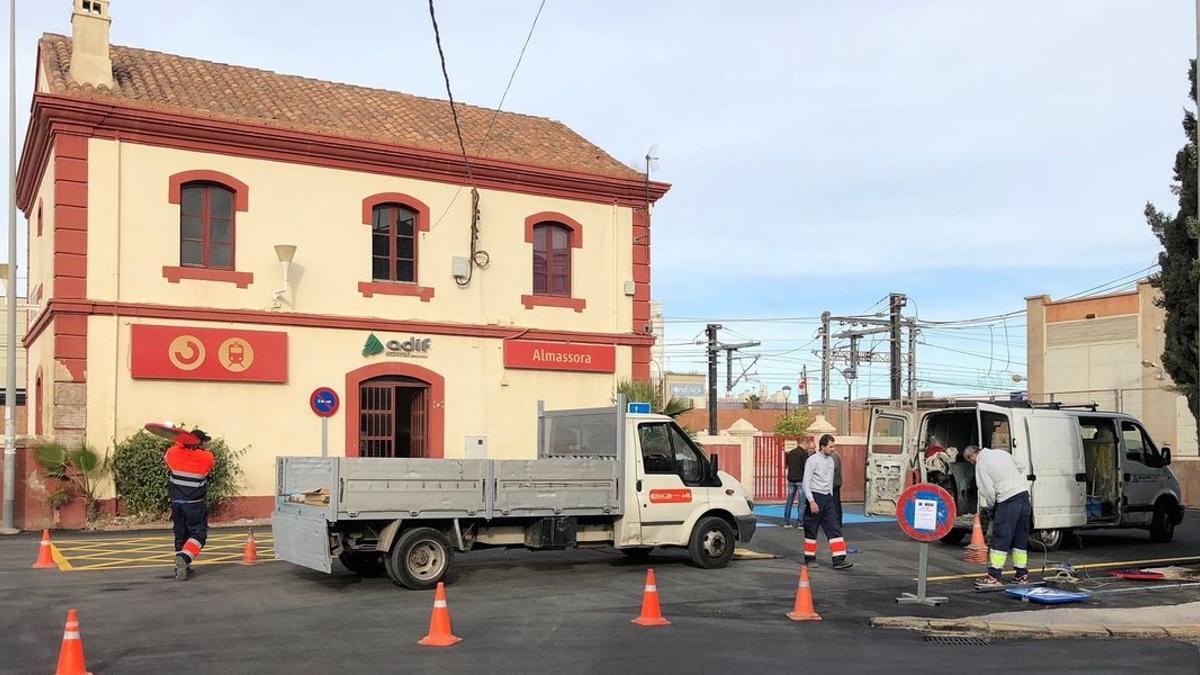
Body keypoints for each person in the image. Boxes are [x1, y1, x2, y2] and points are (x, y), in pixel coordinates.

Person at [963, 445, 1031, 588]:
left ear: (971, 457)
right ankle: (1021, 575)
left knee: (1001, 538)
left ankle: (993, 577)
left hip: (1007, 500)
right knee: (1020, 538)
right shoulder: (1001, 453)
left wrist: (992, 506)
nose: (972, 463)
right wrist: (1010, 478)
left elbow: (987, 490)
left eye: (970, 461)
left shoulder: (981, 464)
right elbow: (1021, 465)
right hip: (1023, 496)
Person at [164, 425, 215, 581]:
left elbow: (169, 458)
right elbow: (208, 471)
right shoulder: (207, 457)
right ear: (198, 443)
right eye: (204, 442)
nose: (206, 445)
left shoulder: (172, 453)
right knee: (198, 535)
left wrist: (179, 439)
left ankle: (181, 567)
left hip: (176, 503)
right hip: (194, 504)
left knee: (181, 535)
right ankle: (185, 559)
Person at [803, 434, 852, 569]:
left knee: (834, 528)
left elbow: (830, 481)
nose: (833, 449)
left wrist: (830, 497)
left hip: (828, 498)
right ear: (823, 446)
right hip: (815, 496)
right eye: (830, 446)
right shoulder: (812, 460)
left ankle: (839, 560)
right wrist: (812, 501)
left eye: (833, 446)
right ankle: (810, 559)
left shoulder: (831, 460)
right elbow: (805, 483)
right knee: (811, 530)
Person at [782, 437, 814, 528]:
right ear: (805, 444)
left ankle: (786, 521)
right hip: (800, 480)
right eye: (808, 445)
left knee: (789, 501)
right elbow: (806, 468)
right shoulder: (804, 454)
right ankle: (801, 522)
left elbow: (787, 465)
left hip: (791, 480)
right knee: (801, 502)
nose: (809, 447)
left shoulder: (791, 453)